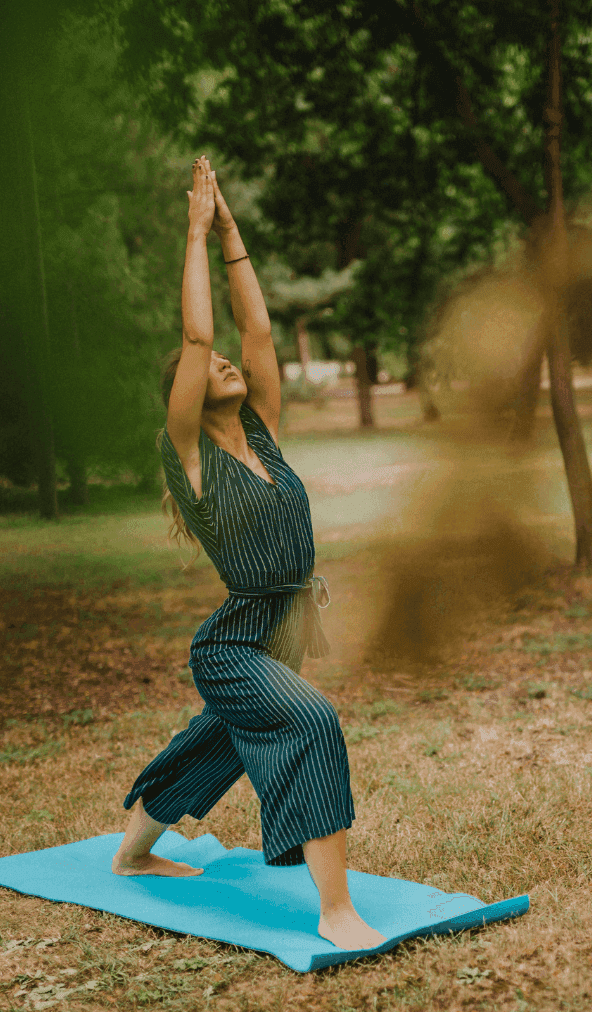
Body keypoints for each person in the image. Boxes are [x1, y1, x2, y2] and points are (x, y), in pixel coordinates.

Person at [112, 156, 385, 952]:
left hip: (283, 633)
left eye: (229, 362)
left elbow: (254, 328)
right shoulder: (189, 453)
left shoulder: (261, 429)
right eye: (210, 367)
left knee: (217, 741)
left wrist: (231, 229)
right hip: (235, 645)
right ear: (189, 394)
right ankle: (335, 911)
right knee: (311, 721)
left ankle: (132, 855)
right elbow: (200, 332)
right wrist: (193, 232)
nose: (226, 359)